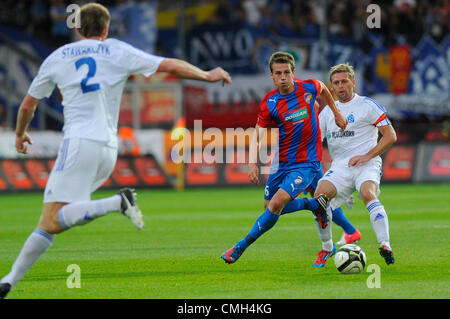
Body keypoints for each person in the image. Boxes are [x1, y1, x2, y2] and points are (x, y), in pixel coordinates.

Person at [0, 2, 231, 299]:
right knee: (55, 220)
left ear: (78, 28)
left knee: (53, 220)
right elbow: (169, 65)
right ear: (106, 29)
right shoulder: (117, 50)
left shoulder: (57, 57)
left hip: (79, 144)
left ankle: (116, 203)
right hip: (108, 150)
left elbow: (28, 105)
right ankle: (8, 282)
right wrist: (206, 74)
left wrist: (20, 134)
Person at [221, 51, 347, 267]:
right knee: (270, 207)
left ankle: (240, 246)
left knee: (277, 203)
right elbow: (258, 134)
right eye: (278, 73)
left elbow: (324, 90)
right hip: (282, 163)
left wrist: (335, 112)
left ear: (293, 72)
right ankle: (312, 206)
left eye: (286, 72)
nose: (283, 77)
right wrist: (252, 162)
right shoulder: (269, 103)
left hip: (307, 162)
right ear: (271, 75)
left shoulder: (308, 87)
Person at [312, 62, 397, 266]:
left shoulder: (368, 105)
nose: (341, 86)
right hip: (340, 167)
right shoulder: (327, 113)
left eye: (344, 81)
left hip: (366, 164)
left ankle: (385, 244)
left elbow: (390, 136)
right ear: (330, 87)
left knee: (368, 193)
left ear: (353, 82)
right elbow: (314, 141)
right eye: (336, 83)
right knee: (319, 200)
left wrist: (367, 156)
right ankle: (327, 248)